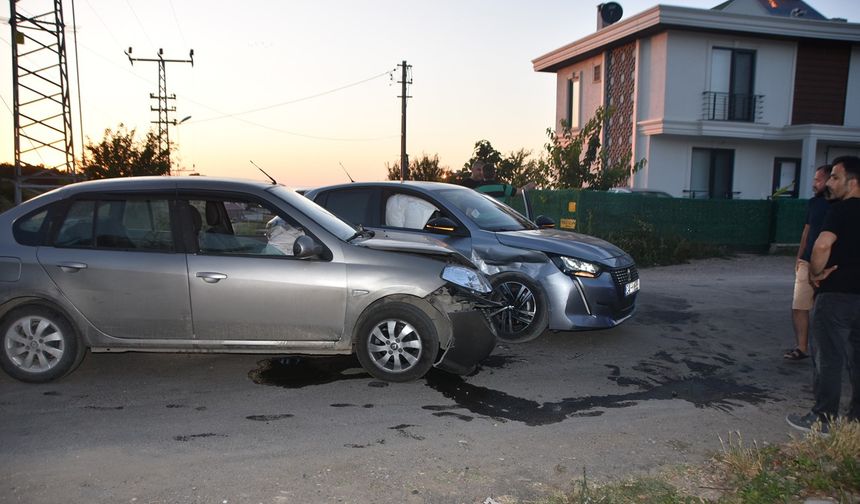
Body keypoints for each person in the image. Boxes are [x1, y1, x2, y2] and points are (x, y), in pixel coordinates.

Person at [786, 155, 860, 433]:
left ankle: (823, 418)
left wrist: (816, 273)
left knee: (828, 357)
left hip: (837, 295)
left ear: (852, 183)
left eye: (835, 177)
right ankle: (856, 418)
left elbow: (821, 245)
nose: (829, 182)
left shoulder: (841, 211)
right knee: (857, 358)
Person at [784, 164, 832, 360]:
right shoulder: (813, 203)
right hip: (806, 262)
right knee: (799, 305)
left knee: (827, 309)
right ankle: (801, 347)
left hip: (829, 264)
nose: (814, 183)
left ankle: (828, 350)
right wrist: (799, 256)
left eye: (818, 180)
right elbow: (807, 230)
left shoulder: (840, 206)